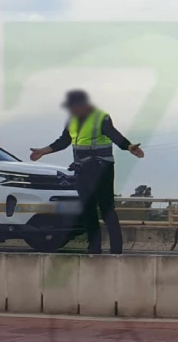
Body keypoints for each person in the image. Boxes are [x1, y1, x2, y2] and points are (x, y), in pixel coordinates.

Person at [29, 90, 144, 255]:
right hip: (82, 169)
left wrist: (128, 146)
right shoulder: (72, 121)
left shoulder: (100, 117)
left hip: (101, 167)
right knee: (88, 208)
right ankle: (94, 248)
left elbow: (113, 134)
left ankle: (116, 249)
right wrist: (43, 151)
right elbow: (64, 141)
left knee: (106, 208)